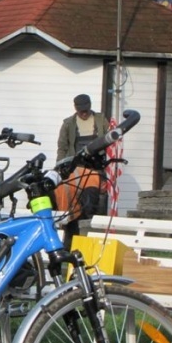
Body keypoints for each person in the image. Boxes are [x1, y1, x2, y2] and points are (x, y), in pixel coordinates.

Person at [55, 94, 110, 249]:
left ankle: (96, 238)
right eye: (81, 111)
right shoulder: (68, 124)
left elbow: (111, 141)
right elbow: (62, 148)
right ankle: (71, 240)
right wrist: (60, 168)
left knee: (96, 203)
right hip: (76, 169)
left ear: (90, 106)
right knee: (74, 204)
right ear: (76, 109)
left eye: (86, 110)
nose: (84, 113)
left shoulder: (101, 121)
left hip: (97, 168)